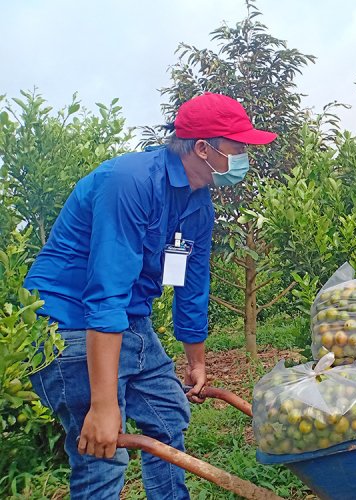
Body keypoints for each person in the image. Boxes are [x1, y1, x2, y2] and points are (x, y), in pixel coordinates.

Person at [24, 92, 277, 499]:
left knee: (168, 416)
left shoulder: (199, 203)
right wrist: (104, 407)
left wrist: (196, 361)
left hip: (128, 322)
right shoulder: (130, 181)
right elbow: (105, 294)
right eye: (238, 146)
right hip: (67, 323)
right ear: (202, 148)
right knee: (103, 451)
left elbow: (192, 286)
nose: (245, 155)